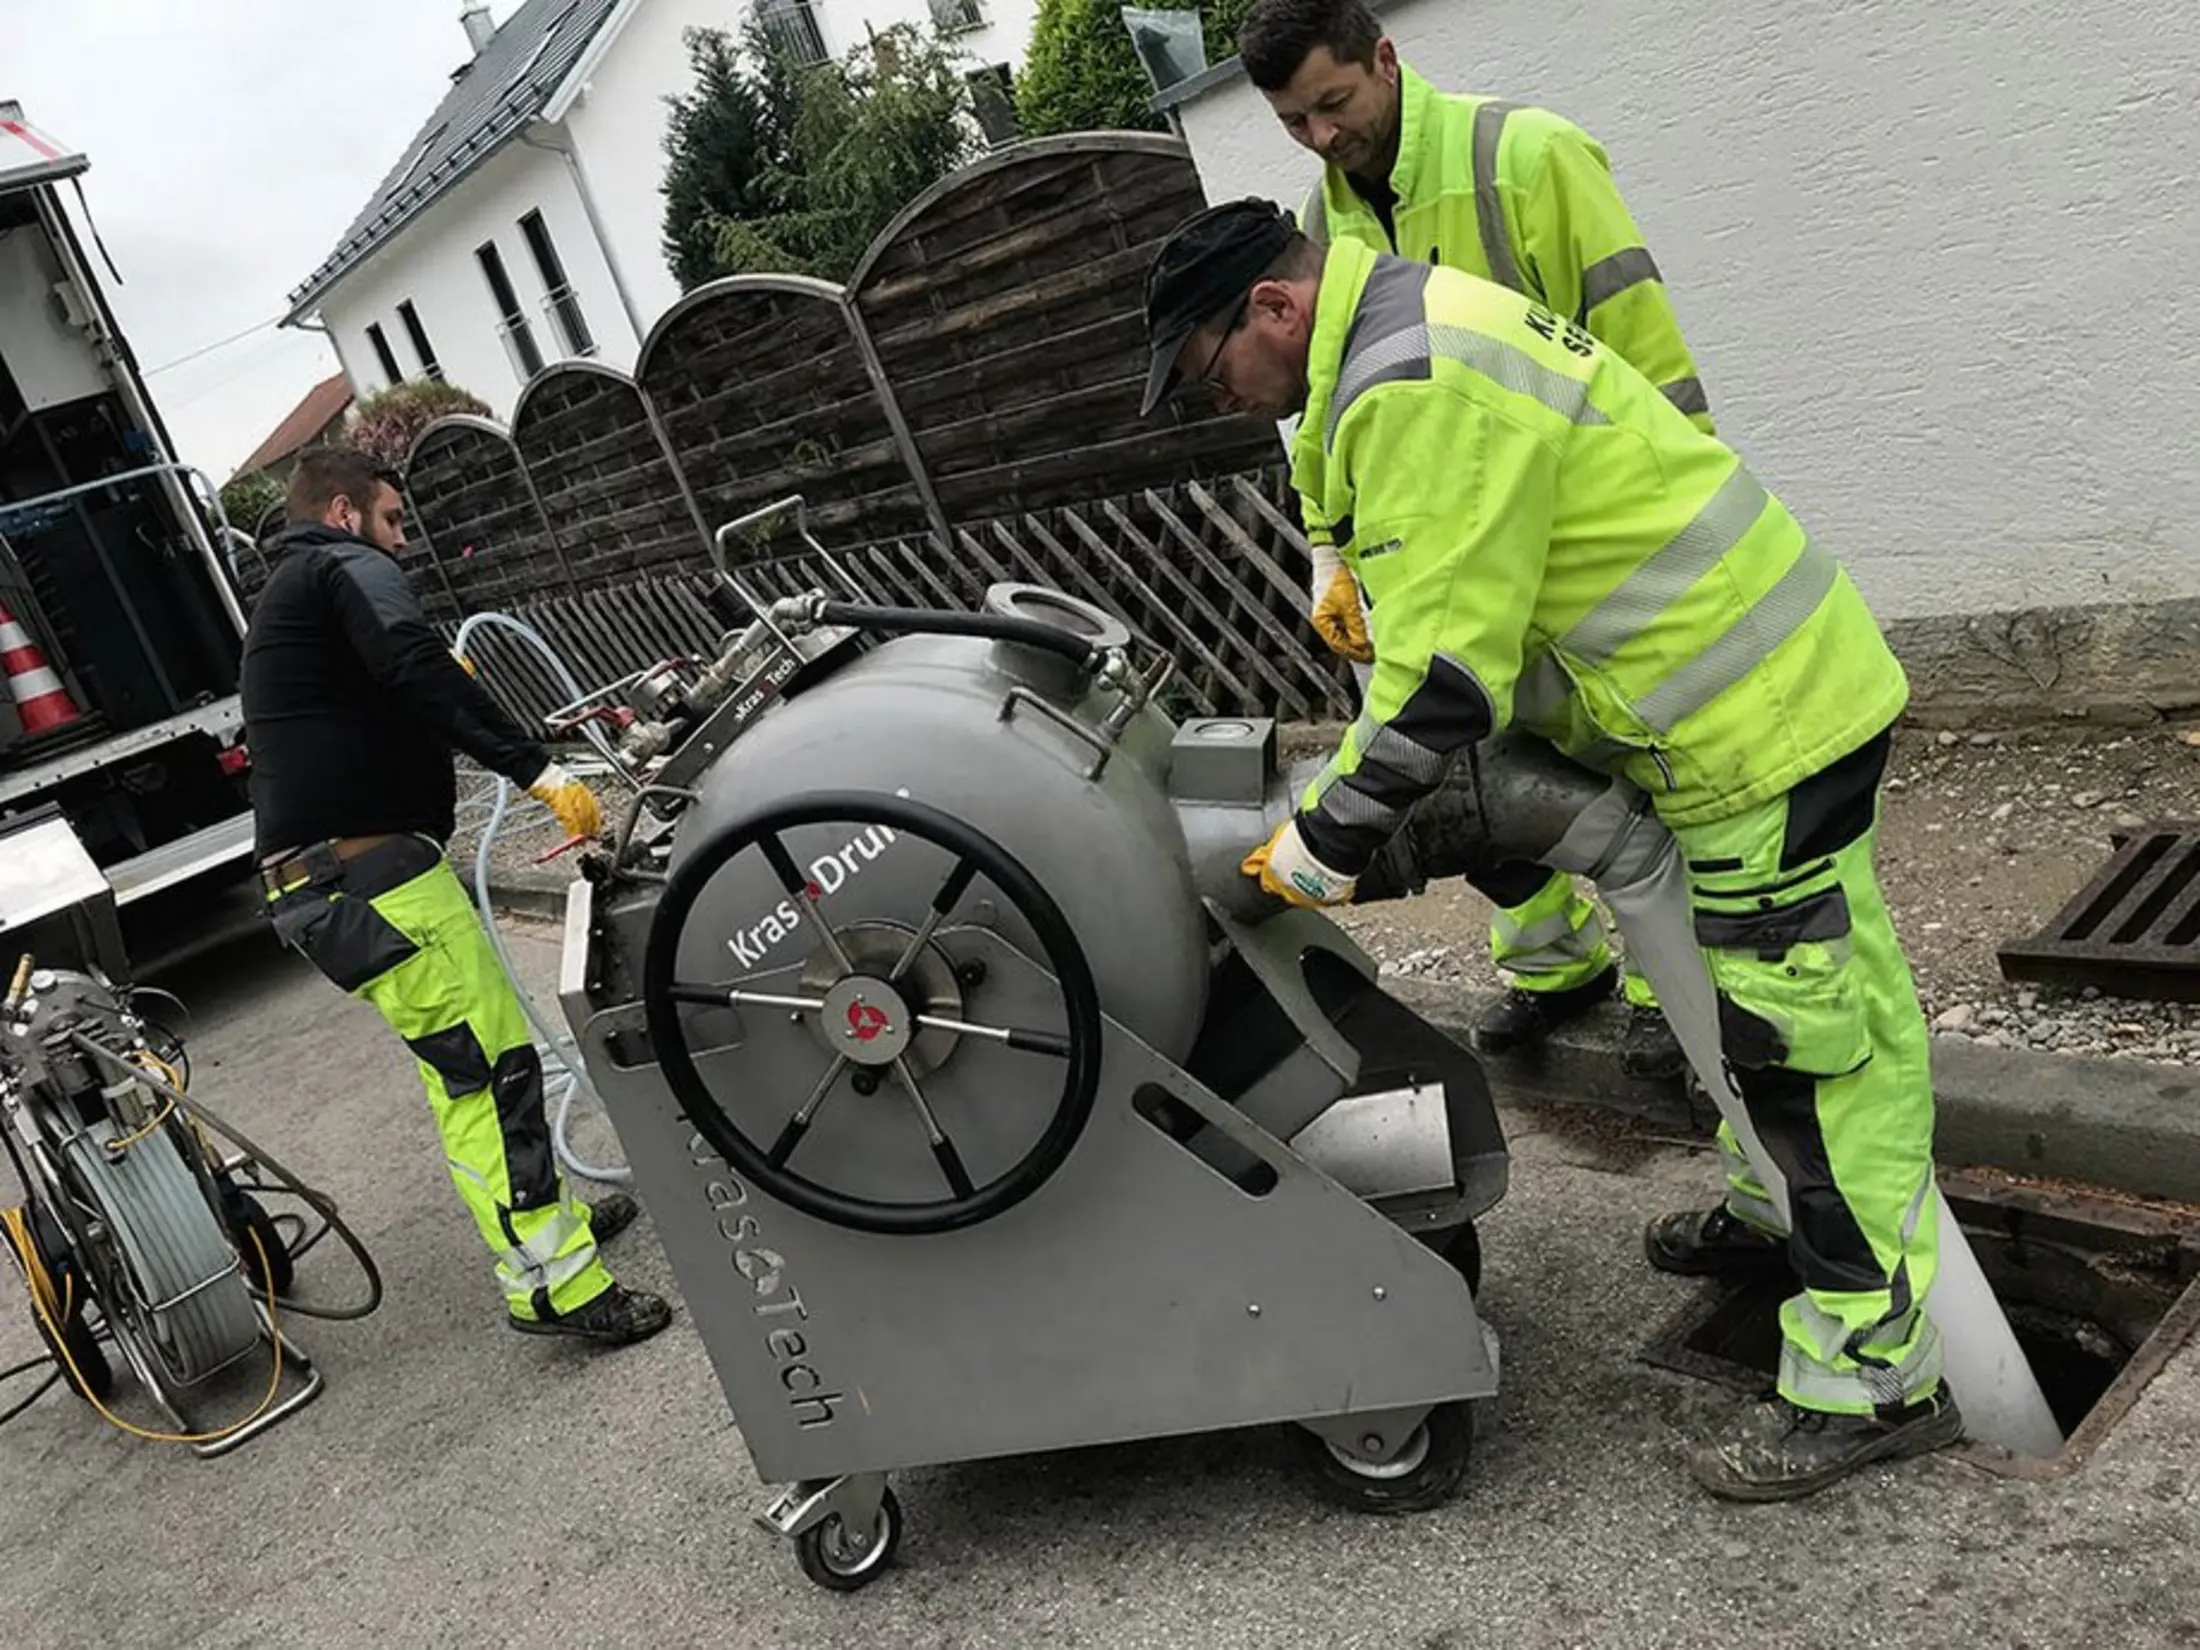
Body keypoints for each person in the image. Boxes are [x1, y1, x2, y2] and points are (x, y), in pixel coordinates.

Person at [1136, 199, 1961, 1500]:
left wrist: (1317, 843)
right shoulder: (1386, 333)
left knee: (1810, 1059)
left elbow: (1444, 687)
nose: (1219, 400)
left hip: (1756, 726)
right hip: (1728, 710)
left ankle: (1875, 1377)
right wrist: (1342, 554)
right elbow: (1378, 513)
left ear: (1274, 311)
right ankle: (1773, 1213)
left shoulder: (1405, 378)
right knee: (1742, 993)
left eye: (1210, 372)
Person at [1232, 0, 1721, 1081]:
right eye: (1293, 122)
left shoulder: (1528, 157)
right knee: (1462, 771)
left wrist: (1677, 533)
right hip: (1451, 538)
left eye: (1333, 104)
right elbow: (1324, 404)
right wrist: (1331, 545)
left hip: (1582, 535)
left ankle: (1664, 991)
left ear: (1386, 59)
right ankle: (1552, 962)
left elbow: (1641, 348)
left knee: (1632, 762)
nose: (1320, 138)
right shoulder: (1331, 208)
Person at [240, 447, 672, 1348]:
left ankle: (543, 1238)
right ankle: (554, 1285)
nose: (403, 545)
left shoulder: (297, 594)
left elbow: (405, 684)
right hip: (367, 880)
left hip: (342, 883)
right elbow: (412, 661)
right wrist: (539, 770)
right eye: (394, 521)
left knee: (471, 1072)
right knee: (493, 1077)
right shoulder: (337, 562)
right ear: (347, 512)